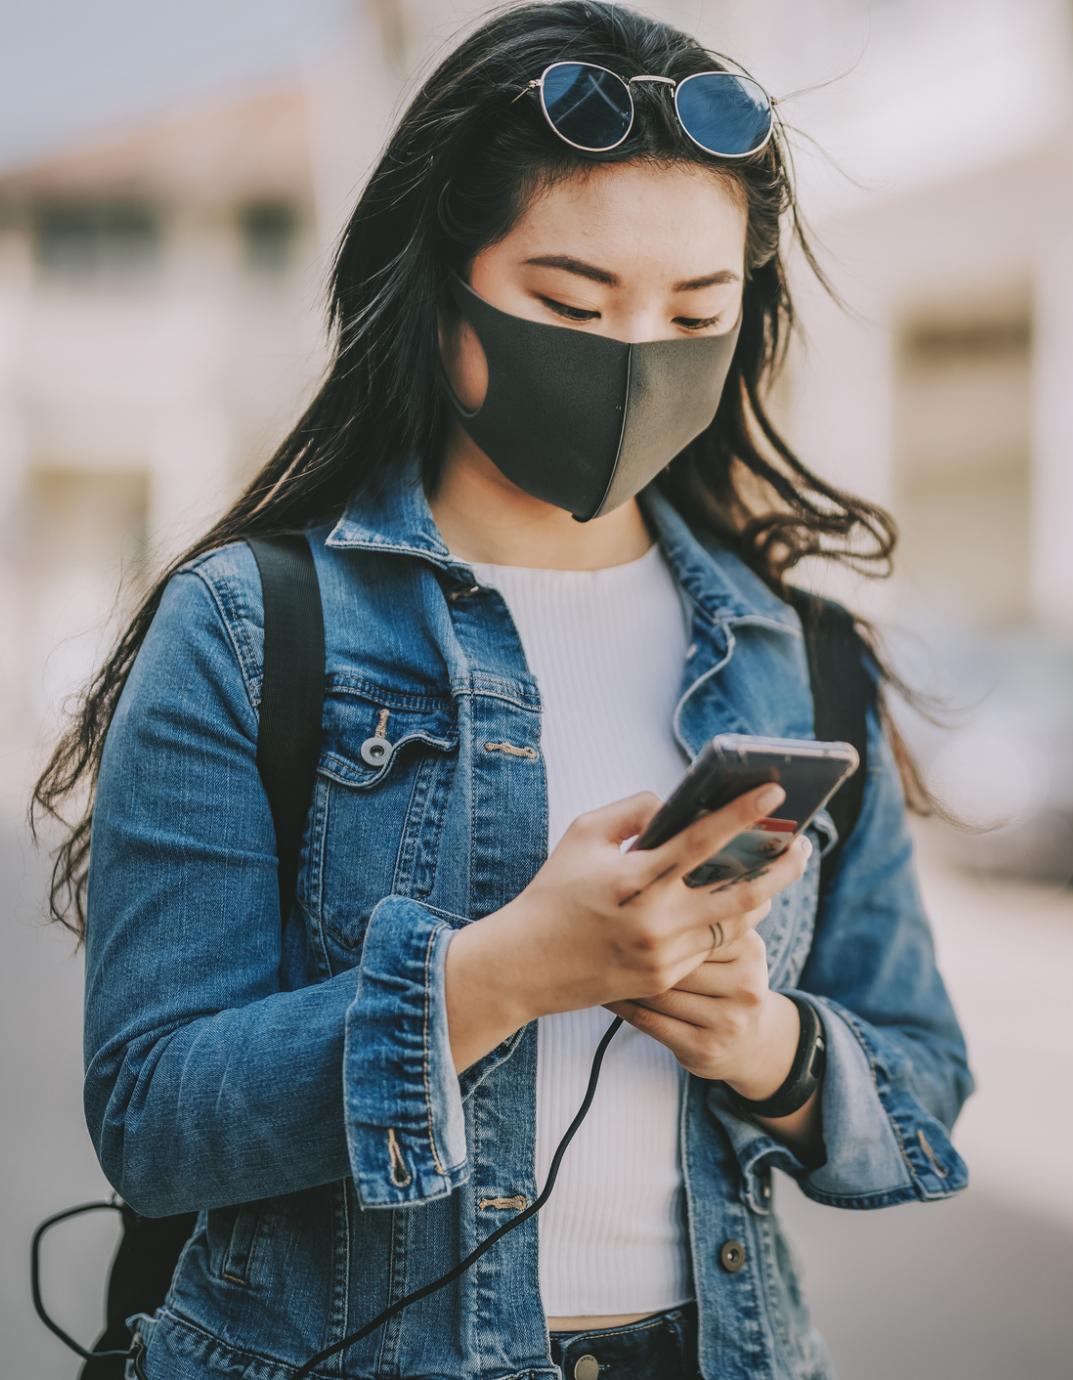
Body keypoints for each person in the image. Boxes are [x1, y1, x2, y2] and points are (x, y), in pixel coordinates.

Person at [29, 4, 975, 1377]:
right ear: (440, 290)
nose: (635, 353)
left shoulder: (800, 654)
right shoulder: (247, 629)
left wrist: (770, 1044)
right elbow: (156, 1116)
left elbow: (922, 1081)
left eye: (694, 314)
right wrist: (503, 975)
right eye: (571, 306)